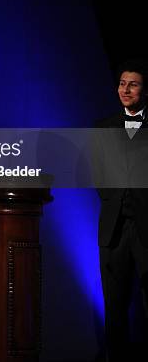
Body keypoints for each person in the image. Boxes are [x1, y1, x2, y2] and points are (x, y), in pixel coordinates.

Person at [94, 58, 148, 361]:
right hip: (113, 229)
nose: (125, 90)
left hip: (146, 226)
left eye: (133, 84)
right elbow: (97, 172)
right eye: (122, 84)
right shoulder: (103, 127)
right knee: (114, 306)